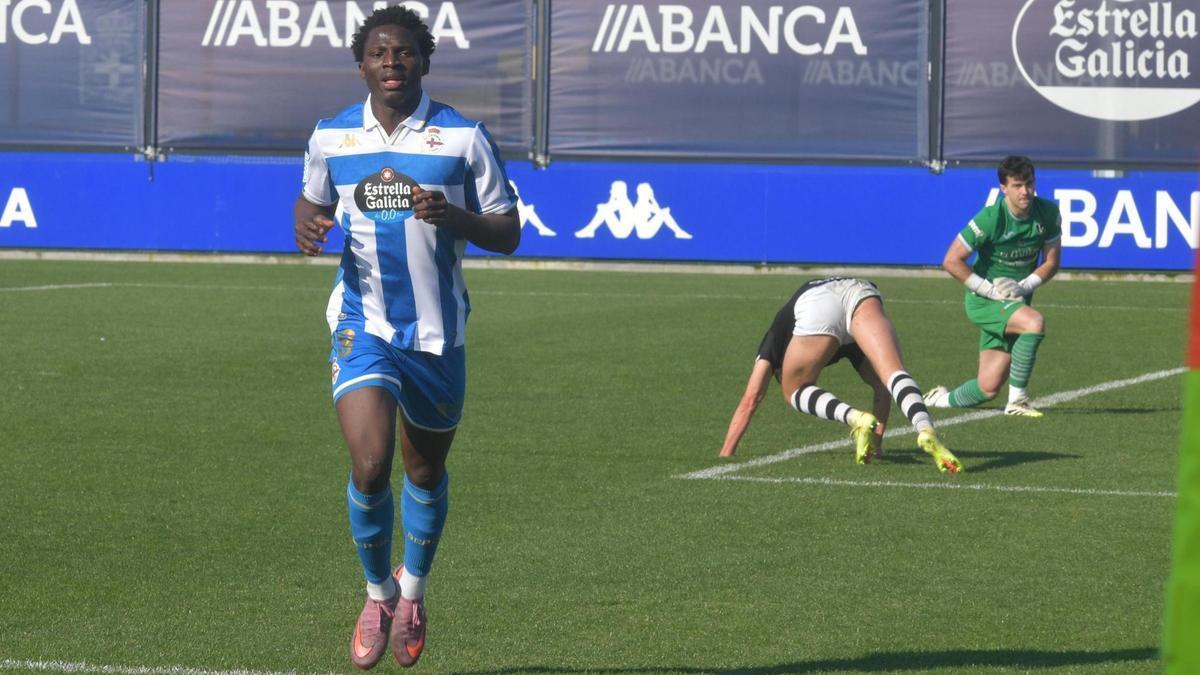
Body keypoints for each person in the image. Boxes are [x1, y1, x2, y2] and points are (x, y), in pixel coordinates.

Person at [292, 7, 519, 670]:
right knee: (369, 461)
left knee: (423, 469)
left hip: (437, 333)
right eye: (380, 53)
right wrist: (306, 226)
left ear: (425, 61)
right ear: (361, 63)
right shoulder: (332, 137)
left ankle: (413, 592)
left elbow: (509, 232)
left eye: (406, 53)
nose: (392, 63)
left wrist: (457, 217)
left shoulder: (464, 138)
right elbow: (311, 200)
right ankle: (378, 593)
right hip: (362, 322)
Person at [719, 277, 963, 475]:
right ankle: (926, 430)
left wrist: (726, 453)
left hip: (817, 304)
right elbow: (880, 391)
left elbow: (751, 398)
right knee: (889, 376)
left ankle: (855, 418)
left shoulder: (773, 344)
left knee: (794, 390)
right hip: (860, 291)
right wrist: (876, 449)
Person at [923, 155, 1061, 418]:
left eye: (1029, 184)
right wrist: (989, 290)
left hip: (1015, 300)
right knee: (1034, 323)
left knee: (987, 388)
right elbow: (951, 260)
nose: (1026, 191)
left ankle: (938, 399)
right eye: (1018, 185)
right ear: (1003, 188)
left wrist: (1024, 286)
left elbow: (1052, 262)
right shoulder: (990, 218)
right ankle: (1018, 402)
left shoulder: (1049, 213)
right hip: (984, 301)